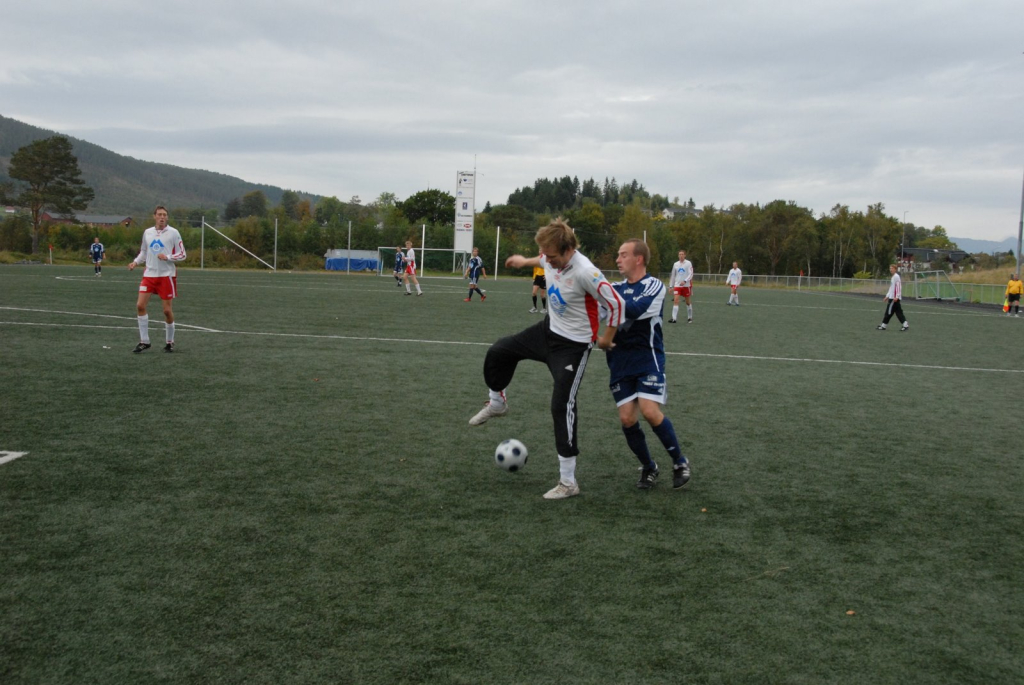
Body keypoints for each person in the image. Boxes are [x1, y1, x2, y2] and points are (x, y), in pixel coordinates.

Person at [468, 218, 625, 500]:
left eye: (552, 256)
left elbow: (616, 303)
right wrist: (523, 261)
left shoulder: (586, 272)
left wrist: (606, 338)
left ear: (568, 250)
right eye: (545, 255)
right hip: (547, 331)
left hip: (573, 347)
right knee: (499, 351)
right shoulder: (551, 257)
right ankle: (497, 403)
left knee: (561, 405)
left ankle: (568, 482)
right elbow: (541, 258)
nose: (547, 261)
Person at [606, 240, 691, 490]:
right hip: (619, 361)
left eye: (623, 255)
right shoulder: (615, 287)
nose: (618, 260)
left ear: (639, 259)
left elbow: (635, 309)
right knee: (627, 419)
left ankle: (680, 461)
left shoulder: (654, 285)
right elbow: (598, 305)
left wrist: (609, 305)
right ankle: (649, 466)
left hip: (647, 359)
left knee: (650, 411)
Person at [128, 206, 187, 353]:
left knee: (167, 311)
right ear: (154, 216)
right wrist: (135, 262)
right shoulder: (147, 232)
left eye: (164, 215)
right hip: (149, 275)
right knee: (140, 306)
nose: (162, 217)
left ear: (167, 217)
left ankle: (169, 342)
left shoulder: (173, 233)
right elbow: (144, 251)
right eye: (159, 214)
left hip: (166, 276)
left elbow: (182, 254)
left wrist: (167, 257)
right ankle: (144, 341)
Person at [877, 264, 909, 332]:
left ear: (895, 269)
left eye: (892, 268)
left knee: (889, 312)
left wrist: (896, 296)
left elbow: (898, 287)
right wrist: (887, 296)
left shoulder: (896, 276)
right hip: (892, 297)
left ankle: (884, 325)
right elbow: (891, 288)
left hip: (894, 299)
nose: (891, 269)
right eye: (890, 268)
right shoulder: (893, 277)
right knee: (897, 312)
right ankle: (905, 324)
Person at [669, 249, 694, 323]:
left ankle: (690, 317)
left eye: (682, 254)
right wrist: (671, 286)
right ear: (678, 255)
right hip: (677, 285)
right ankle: (674, 318)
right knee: (676, 300)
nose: (681, 256)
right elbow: (673, 275)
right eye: (680, 254)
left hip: (686, 285)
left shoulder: (688, 263)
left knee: (688, 302)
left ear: (685, 255)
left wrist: (685, 281)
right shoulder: (675, 264)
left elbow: (691, 274)